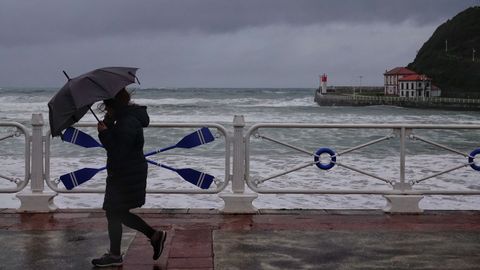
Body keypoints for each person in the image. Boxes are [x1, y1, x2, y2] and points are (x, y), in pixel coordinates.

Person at [91, 88, 166, 267]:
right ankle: (153, 237)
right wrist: (109, 124)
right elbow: (120, 145)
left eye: (108, 108)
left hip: (126, 174)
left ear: (114, 105)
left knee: (114, 211)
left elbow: (119, 151)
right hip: (127, 172)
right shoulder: (125, 119)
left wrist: (104, 133)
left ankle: (118, 253)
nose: (106, 111)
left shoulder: (127, 122)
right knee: (116, 212)